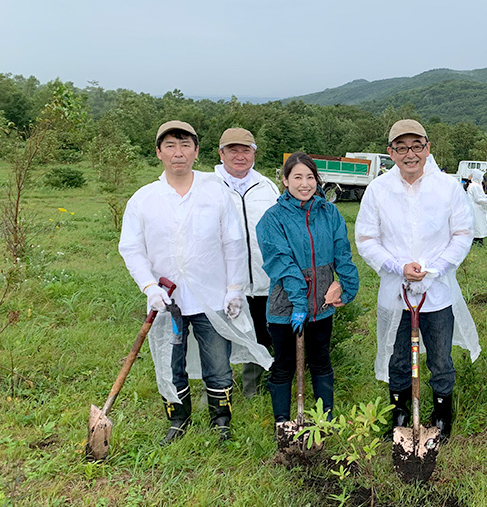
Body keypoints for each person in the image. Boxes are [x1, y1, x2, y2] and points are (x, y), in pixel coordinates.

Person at [119, 120, 272, 444]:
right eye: (171, 146)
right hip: (168, 301)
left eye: (185, 145)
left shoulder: (213, 191)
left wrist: (234, 289)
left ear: (197, 151)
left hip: (212, 296)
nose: (179, 153)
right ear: (159, 152)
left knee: (217, 361)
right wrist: (149, 286)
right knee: (171, 360)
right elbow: (131, 248)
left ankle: (221, 420)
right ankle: (178, 418)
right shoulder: (144, 199)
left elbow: (233, 242)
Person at [355, 119, 480, 443]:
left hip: (436, 292)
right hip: (395, 291)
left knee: (440, 357)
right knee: (398, 355)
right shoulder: (378, 190)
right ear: (390, 152)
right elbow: (366, 238)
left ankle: (441, 414)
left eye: (416, 146)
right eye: (401, 147)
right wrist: (398, 266)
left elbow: (463, 234)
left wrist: (434, 269)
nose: (410, 154)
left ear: (427, 148)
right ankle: (399, 412)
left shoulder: (448, 188)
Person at [257, 151, 359, 425]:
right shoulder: (272, 219)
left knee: (321, 361)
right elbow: (281, 262)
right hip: (286, 306)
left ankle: (323, 420)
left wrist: (348, 287)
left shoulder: (329, 213)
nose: (305, 184)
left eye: (310, 177)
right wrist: (299, 304)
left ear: (317, 180)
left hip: (321, 306)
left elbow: (342, 252)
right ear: (285, 181)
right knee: (284, 363)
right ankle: (282, 422)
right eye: (297, 177)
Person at [213, 128, 281, 398]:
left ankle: (251, 390)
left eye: (246, 150)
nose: (239, 156)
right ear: (221, 154)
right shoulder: (208, 186)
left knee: (260, 334)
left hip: (264, 280)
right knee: (219, 335)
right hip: (223, 280)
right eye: (233, 150)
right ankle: (218, 390)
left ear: (254, 152)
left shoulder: (267, 187)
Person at [467, 169, 487, 246]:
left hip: (476, 208)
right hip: (476, 209)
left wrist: (486, 196)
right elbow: (478, 199)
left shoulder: (475, 185)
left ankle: (477, 240)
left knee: (478, 224)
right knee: (478, 225)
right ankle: (477, 241)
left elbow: (479, 196)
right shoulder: (475, 186)